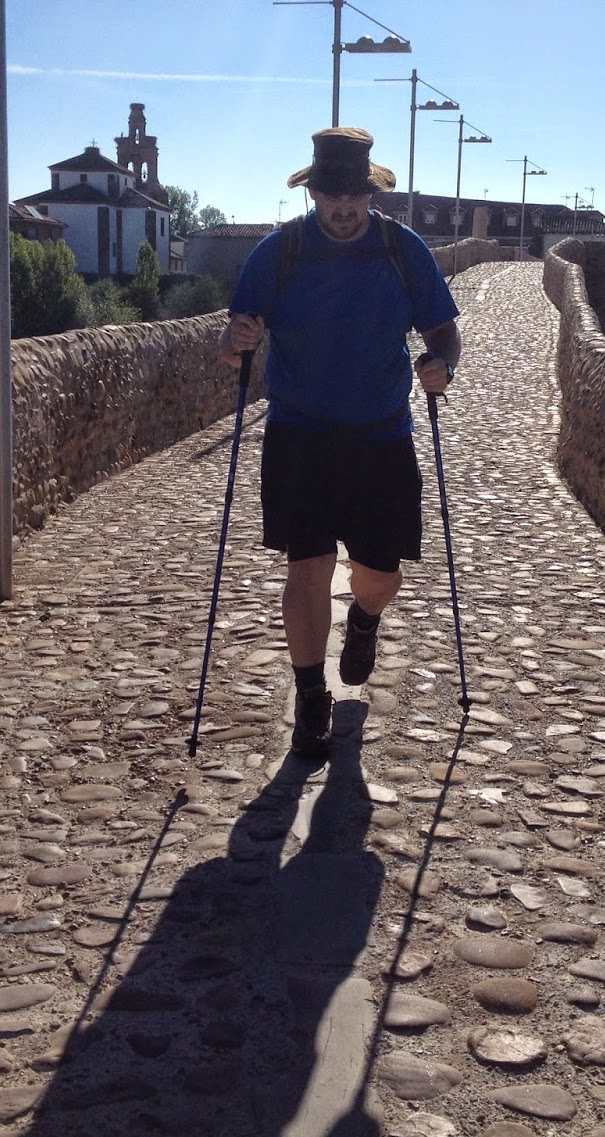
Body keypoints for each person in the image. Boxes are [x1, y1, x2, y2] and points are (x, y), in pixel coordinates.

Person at [217, 127, 462, 756]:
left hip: (381, 438)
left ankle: (364, 618)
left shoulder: (401, 250)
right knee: (307, 569)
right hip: (299, 435)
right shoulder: (280, 252)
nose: (345, 208)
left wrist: (442, 362)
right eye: (333, 196)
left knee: (379, 576)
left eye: (355, 196)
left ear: (371, 194)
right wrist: (236, 342)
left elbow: (442, 330)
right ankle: (310, 697)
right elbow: (234, 337)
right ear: (314, 193)